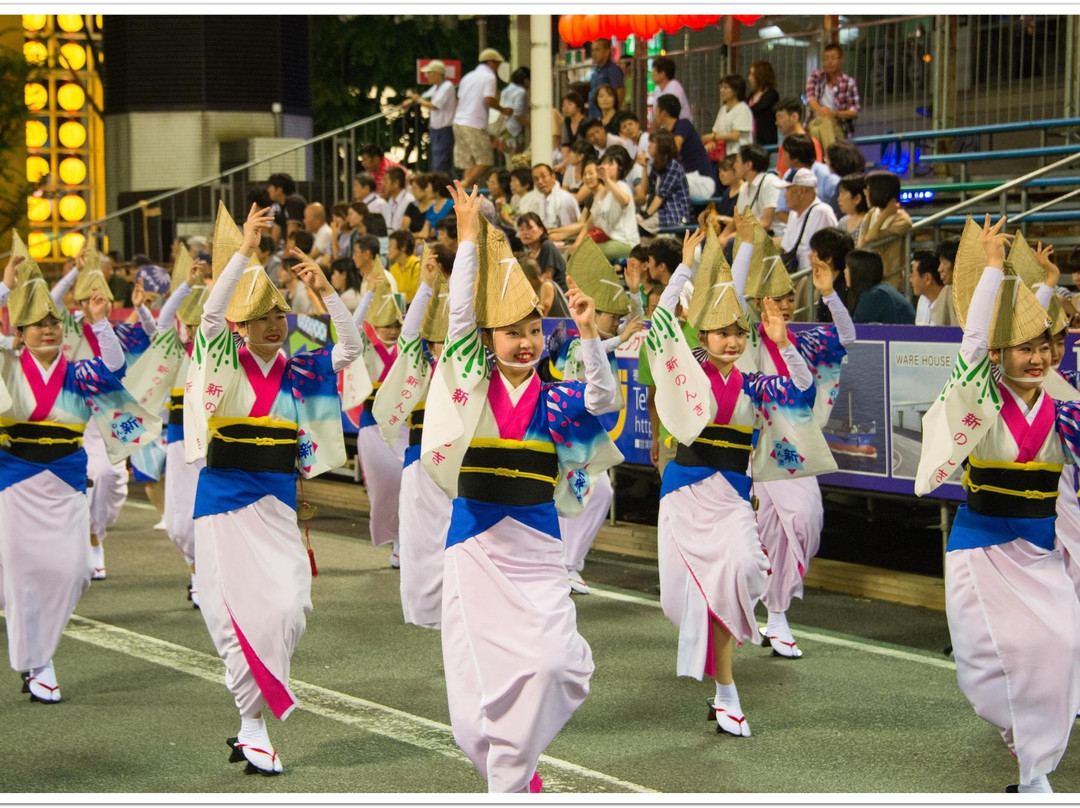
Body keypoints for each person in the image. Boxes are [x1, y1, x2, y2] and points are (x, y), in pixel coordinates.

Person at [421, 184, 621, 793]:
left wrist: (586, 334)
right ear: (488, 340)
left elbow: (604, 401)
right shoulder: (470, 388)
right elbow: (459, 318)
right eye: (511, 332)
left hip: (537, 555)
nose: (526, 341)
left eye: (533, 328)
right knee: (469, 709)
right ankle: (512, 781)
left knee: (560, 667)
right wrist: (465, 242)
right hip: (473, 549)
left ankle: (512, 778)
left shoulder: (557, 398)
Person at [185, 202, 362, 776]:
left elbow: (353, 351)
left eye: (278, 316)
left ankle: (252, 720)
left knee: (289, 608)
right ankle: (251, 723)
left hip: (278, 504)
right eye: (259, 318)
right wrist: (242, 255)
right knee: (232, 612)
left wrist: (326, 292)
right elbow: (209, 318)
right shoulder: (222, 360)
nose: (271, 325)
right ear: (241, 325)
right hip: (223, 503)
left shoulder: (303, 372)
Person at [915, 214, 1080, 794]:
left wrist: (1043, 291)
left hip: (1039, 554)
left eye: (1046, 348)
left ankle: (1033, 763)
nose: (1037, 359)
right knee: (989, 664)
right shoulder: (977, 397)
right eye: (1024, 350)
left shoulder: (1066, 410)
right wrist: (990, 270)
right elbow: (977, 341)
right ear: (1003, 355)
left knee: (1062, 651)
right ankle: (1030, 771)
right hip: (982, 549)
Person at [648, 228, 835, 736]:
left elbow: (801, 389)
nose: (731, 340)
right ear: (703, 337)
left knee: (743, 570)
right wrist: (684, 268)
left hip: (732, 495)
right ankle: (725, 691)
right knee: (690, 599)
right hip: (684, 492)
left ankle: (727, 689)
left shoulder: (754, 383)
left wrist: (782, 343)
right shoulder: (687, 371)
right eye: (721, 332)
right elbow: (660, 327)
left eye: (739, 332)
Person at [0, 238, 160, 704]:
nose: (48, 331)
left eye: (53, 323)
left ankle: (38, 649)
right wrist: (5, 286)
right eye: (37, 324)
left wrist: (98, 321)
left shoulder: (78, 371)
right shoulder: (6, 366)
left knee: (75, 573)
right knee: (21, 574)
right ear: (21, 331)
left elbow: (113, 365)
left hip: (66, 480)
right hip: (13, 480)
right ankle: (39, 660)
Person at [733, 215, 855, 658]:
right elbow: (729, 293)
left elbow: (847, 337)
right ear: (757, 302)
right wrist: (745, 246)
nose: (783, 306)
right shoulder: (742, 340)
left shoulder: (799, 342)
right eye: (775, 299)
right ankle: (776, 615)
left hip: (798, 451)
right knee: (768, 532)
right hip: (756, 449)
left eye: (789, 298)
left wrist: (829, 294)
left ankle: (773, 608)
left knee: (805, 523)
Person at [550, 237, 643, 594]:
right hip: (564, 431)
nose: (618, 323)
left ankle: (568, 563)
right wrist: (619, 339)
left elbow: (636, 324)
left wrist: (633, 295)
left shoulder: (605, 338)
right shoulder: (574, 342)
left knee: (595, 493)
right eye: (613, 317)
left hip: (585, 433)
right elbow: (589, 354)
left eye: (619, 318)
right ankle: (565, 564)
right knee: (594, 491)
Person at [372, 251, 452, 628]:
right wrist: (424, 285)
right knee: (422, 549)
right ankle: (437, 616)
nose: (442, 342)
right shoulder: (419, 366)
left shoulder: (475, 367)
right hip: (422, 466)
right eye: (436, 338)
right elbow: (408, 336)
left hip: (463, 469)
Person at [349, 271, 407, 568]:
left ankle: (405, 544)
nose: (394, 330)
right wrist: (369, 295)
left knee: (410, 486)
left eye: (397, 324)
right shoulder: (365, 348)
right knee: (385, 488)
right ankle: (395, 540)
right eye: (387, 325)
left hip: (404, 427)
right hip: (372, 428)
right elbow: (348, 329)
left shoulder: (406, 349)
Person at [453, 48, 513, 190]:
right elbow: (489, 99)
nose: (497, 68)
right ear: (491, 63)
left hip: (458, 122)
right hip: (474, 123)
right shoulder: (489, 77)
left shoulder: (467, 77)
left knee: (468, 162)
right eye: (497, 64)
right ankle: (464, 185)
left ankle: (465, 192)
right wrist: (503, 110)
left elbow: (459, 100)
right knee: (485, 160)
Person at [582, 145, 640, 261]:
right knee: (579, 251)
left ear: (620, 168)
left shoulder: (622, 186)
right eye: (604, 163)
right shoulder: (600, 193)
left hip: (625, 242)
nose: (605, 167)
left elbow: (625, 201)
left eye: (610, 164)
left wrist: (607, 180)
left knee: (587, 254)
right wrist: (577, 244)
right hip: (608, 241)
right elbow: (590, 223)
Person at [654, 94, 716, 200]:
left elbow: (675, 147)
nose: (654, 114)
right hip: (689, 180)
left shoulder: (683, 125)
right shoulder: (668, 133)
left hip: (702, 182)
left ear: (663, 113)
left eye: (656, 110)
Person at [777, 167, 839, 273]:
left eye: (787, 190)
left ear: (801, 191)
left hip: (811, 279)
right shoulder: (793, 214)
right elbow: (787, 249)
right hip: (795, 277)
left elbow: (824, 261)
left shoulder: (821, 213)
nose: (785, 196)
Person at [858, 171, 913, 290]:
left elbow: (870, 238)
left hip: (891, 280)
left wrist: (884, 216)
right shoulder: (871, 213)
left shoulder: (902, 220)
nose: (865, 194)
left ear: (880, 191)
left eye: (868, 190)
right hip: (868, 278)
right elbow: (862, 244)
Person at [718, 144, 780, 244]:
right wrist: (722, 236)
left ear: (748, 165)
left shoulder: (770, 182)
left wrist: (730, 237)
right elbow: (737, 219)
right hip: (750, 235)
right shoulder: (744, 187)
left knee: (731, 242)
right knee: (711, 242)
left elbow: (765, 224)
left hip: (771, 235)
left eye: (737, 161)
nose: (734, 166)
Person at [403, 60, 457, 173]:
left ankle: (443, 186)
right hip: (436, 129)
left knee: (440, 163)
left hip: (444, 128)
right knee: (437, 161)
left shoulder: (447, 86)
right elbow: (423, 97)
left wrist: (416, 100)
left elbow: (434, 105)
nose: (426, 76)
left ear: (437, 73)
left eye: (429, 73)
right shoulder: (436, 87)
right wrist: (411, 101)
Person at [805, 43, 861, 147]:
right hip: (815, 121)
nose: (829, 62)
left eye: (833, 58)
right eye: (825, 59)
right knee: (822, 124)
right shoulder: (816, 76)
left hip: (838, 125)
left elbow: (854, 112)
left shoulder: (849, 82)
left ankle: (823, 161)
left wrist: (833, 114)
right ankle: (832, 160)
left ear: (841, 59)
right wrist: (822, 112)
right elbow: (811, 99)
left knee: (818, 130)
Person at [637, 129, 691, 235]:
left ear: (662, 145)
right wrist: (644, 167)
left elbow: (660, 196)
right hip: (658, 213)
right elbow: (645, 191)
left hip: (672, 214)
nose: (649, 146)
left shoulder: (673, 166)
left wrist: (645, 215)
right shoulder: (657, 166)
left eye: (653, 142)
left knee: (638, 230)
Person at [844, 248, 916, 324]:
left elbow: (855, 330)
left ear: (858, 272)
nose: (844, 271)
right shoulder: (880, 291)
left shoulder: (875, 296)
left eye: (846, 268)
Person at [808, 227, 854, 323]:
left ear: (828, 259)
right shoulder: (828, 284)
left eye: (814, 252)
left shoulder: (845, 289)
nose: (810, 256)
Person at [702, 74, 754, 156]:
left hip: (739, 154)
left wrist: (712, 137)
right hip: (723, 155)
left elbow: (735, 135)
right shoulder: (723, 109)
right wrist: (711, 142)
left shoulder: (742, 109)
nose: (722, 90)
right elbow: (715, 131)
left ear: (736, 90)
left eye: (726, 88)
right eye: (721, 87)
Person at [516, 212, 567, 289]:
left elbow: (546, 279)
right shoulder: (528, 255)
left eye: (529, 228)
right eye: (521, 229)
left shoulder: (547, 246)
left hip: (557, 295)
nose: (525, 233)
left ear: (541, 230)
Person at [775, 97, 822, 177]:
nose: (777, 123)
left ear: (794, 117)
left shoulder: (811, 143)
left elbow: (814, 174)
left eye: (780, 117)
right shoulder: (783, 146)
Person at [911, 250, 956, 327]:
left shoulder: (953, 303)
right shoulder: (922, 300)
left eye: (912, 274)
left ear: (927, 278)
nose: (910, 280)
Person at [532, 163, 580, 231]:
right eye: (536, 179)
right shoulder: (539, 199)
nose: (540, 182)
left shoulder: (564, 199)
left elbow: (571, 228)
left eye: (543, 177)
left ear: (553, 177)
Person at [587, 38, 625, 118]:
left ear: (607, 52)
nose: (594, 54)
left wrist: (611, 115)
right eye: (593, 50)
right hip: (593, 116)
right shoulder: (595, 72)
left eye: (597, 50)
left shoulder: (613, 70)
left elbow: (620, 92)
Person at [266, 173, 307, 244]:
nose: (268, 190)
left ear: (279, 189)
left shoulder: (294, 202)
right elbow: (275, 238)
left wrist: (287, 254)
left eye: (270, 186)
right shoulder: (282, 205)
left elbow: (292, 236)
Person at [499, 66, 530, 154]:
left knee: (507, 157)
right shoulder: (521, 92)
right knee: (516, 158)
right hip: (514, 130)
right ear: (525, 80)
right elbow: (518, 113)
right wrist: (530, 126)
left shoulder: (506, 90)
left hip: (503, 128)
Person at [747, 61, 779, 146]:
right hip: (751, 138)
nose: (749, 78)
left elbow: (756, 109)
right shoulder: (751, 96)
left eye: (752, 75)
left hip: (765, 141)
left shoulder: (771, 94)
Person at [651, 56, 692, 121]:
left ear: (662, 74)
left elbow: (671, 117)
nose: (651, 74)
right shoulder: (657, 88)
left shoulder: (674, 88)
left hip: (678, 128)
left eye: (654, 71)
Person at [387, 230, 420, 303]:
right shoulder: (393, 268)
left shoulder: (418, 266)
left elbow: (416, 295)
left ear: (403, 247)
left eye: (391, 245)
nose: (388, 249)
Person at [836, 173, 870, 242]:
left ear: (857, 198)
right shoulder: (842, 222)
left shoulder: (869, 221)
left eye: (842, 193)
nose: (839, 199)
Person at [382, 167, 418, 233]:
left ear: (396, 183)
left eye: (385, 180)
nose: (383, 184)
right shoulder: (390, 200)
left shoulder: (409, 201)